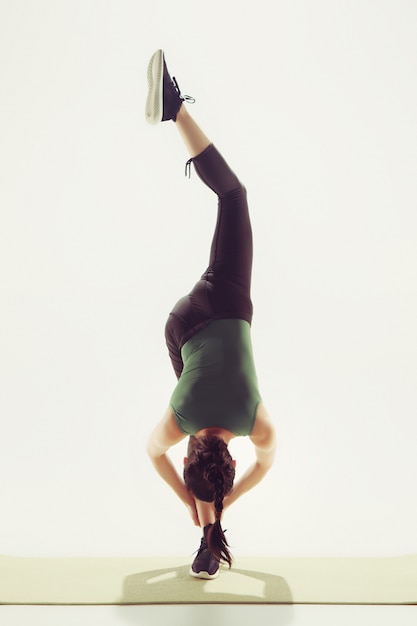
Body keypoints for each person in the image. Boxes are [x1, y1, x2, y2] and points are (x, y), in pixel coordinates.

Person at [145, 49, 277, 580]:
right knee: (189, 364)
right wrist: (197, 507)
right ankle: (207, 535)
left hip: (222, 303)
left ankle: (173, 108)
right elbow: (154, 454)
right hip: (180, 329)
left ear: (231, 457)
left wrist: (227, 500)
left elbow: (265, 466)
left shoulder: (256, 424)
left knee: (234, 196)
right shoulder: (183, 419)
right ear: (193, 452)